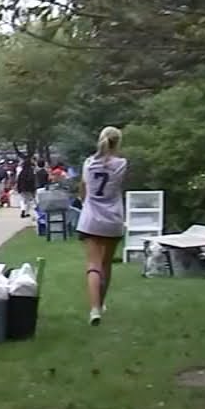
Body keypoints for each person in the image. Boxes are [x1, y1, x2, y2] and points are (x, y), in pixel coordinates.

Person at [77, 126, 129, 327]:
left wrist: (83, 201)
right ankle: (102, 302)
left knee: (93, 265)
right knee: (106, 264)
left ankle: (94, 308)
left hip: (91, 219)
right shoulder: (121, 164)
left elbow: (83, 187)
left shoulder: (89, 163)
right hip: (113, 219)